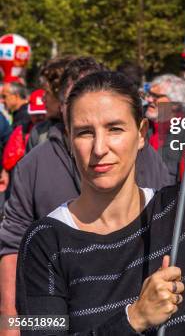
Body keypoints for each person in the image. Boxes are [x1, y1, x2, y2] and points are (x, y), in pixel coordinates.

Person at [17, 0, 185, 335]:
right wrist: (134, 319)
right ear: (67, 138)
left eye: (115, 129)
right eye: (84, 132)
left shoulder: (181, 210)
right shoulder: (44, 241)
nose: (100, 148)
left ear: (142, 133)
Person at [0, 56, 173, 332]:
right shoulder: (33, 164)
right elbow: (12, 244)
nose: (99, 147)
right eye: (77, 97)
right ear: (63, 104)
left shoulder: (145, 157)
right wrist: (9, 320)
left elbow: (168, 216)